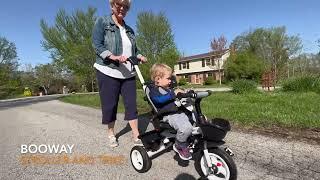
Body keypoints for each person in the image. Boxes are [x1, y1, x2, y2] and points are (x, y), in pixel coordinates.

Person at [92, 0, 147, 147]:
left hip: (128, 72)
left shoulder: (129, 30)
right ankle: (111, 133)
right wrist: (113, 56)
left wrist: (140, 56)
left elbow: (135, 50)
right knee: (110, 105)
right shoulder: (102, 22)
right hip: (108, 70)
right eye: (119, 5)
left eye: (126, 7)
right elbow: (97, 44)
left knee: (131, 104)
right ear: (112, 5)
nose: (122, 8)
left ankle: (136, 134)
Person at [148, 64, 193, 160]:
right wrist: (173, 94)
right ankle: (180, 144)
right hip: (168, 115)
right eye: (168, 78)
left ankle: (191, 139)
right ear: (158, 79)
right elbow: (158, 100)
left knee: (196, 119)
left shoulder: (168, 89)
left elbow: (175, 95)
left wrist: (185, 92)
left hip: (178, 112)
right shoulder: (154, 91)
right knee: (186, 128)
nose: (170, 81)